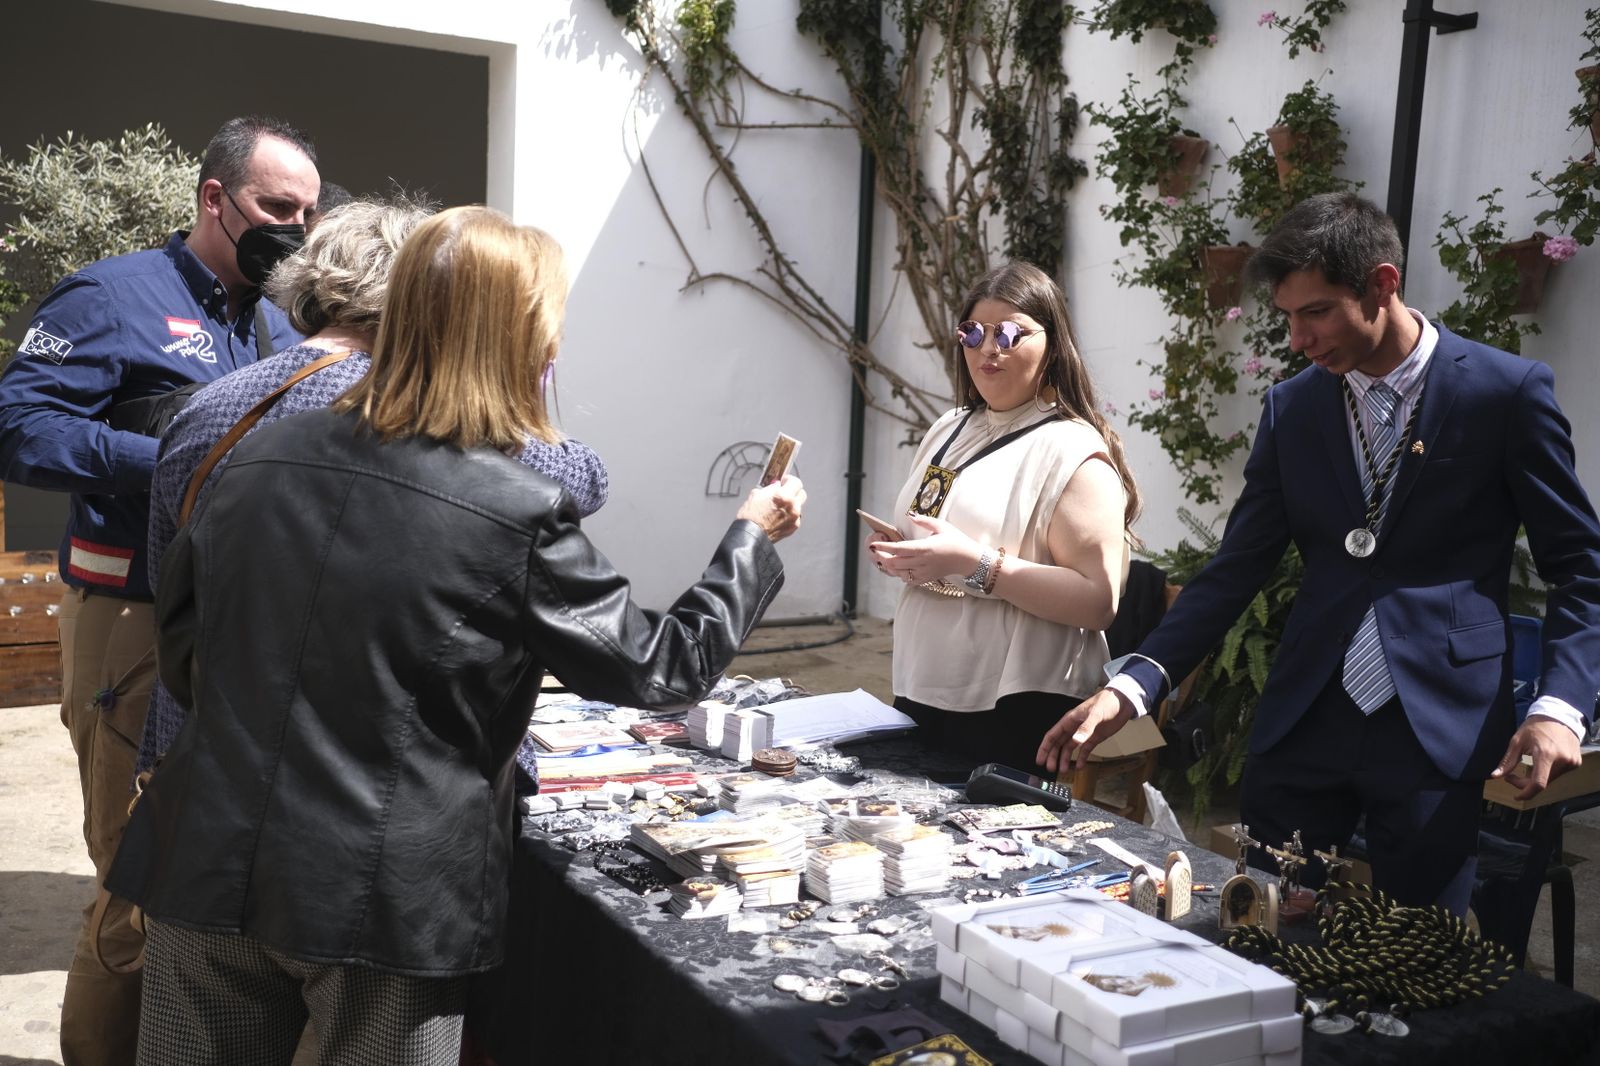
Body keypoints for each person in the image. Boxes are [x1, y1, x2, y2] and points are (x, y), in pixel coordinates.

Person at [105, 205, 805, 1065]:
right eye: (550, 333)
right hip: (381, 896)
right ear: (518, 344)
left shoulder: (257, 458)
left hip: (208, 859)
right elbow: (663, 666)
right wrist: (751, 538)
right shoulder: (512, 505)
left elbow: (185, 656)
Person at [1038, 192, 1600, 914]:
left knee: (1417, 953)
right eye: (1288, 318)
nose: (1299, 339)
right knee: (1272, 933)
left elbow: (1581, 569)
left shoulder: (1504, 394)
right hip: (1306, 721)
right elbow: (1235, 569)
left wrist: (1560, 707)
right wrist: (1134, 686)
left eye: (1318, 312)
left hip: (1438, 727)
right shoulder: (1294, 408)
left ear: (1384, 285)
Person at [0, 114, 318, 1066]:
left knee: (207, 868)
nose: (294, 230)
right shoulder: (111, 297)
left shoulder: (273, 317)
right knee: (136, 876)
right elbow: (18, 426)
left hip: (232, 619)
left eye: (308, 211)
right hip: (132, 618)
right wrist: (179, 455)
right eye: (275, 206)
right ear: (214, 199)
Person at [134, 196, 610, 776]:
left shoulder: (211, 405)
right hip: (368, 768)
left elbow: (168, 578)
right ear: (422, 293)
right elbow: (581, 479)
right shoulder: (414, 411)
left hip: (205, 746)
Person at [868, 260, 1139, 776]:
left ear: (1054, 343)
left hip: (1011, 700)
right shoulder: (951, 426)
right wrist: (902, 553)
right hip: (926, 676)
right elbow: (931, 525)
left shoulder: (1071, 449)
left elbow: (1099, 602)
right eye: (973, 332)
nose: (989, 348)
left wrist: (976, 564)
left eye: (1011, 333)